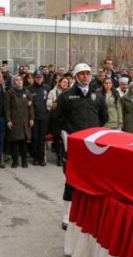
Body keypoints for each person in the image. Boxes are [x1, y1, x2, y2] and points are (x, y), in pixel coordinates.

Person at [55, 63, 108, 230]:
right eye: (82, 74)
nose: (86, 76)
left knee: (93, 179)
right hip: (74, 145)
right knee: (71, 179)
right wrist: (69, 134)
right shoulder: (66, 96)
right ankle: (67, 214)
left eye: (88, 73)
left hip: (92, 146)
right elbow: (57, 118)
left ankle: (90, 212)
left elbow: (103, 117)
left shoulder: (98, 96)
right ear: (76, 76)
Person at [5, 75, 34, 168]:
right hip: (15, 120)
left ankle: (24, 161)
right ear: (13, 82)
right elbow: (7, 108)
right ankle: (15, 161)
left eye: (20, 80)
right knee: (15, 142)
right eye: (16, 80)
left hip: (25, 121)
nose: (19, 81)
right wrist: (8, 120)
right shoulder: (9, 92)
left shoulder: (27, 91)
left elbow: (31, 106)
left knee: (24, 142)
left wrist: (32, 118)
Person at [47, 74, 71, 167]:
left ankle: (66, 156)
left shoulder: (70, 92)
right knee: (58, 139)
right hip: (56, 119)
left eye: (67, 82)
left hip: (67, 119)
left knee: (66, 139)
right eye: (64, 82)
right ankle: (59, 157)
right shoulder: (53, 92)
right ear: (59, 82)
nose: (65, 83)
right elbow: (49, 105)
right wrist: (59, 104)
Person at [30, 71, 51, 166]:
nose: (39, 79)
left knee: (42, 139)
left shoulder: (47, 88)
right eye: (37, 77)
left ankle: (42, 158)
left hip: (44, 117)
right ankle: (35, 158)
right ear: (34, 78)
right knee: (35, 138)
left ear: (43, 78)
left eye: (41, 77)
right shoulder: (29, 89)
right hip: (34, 118)